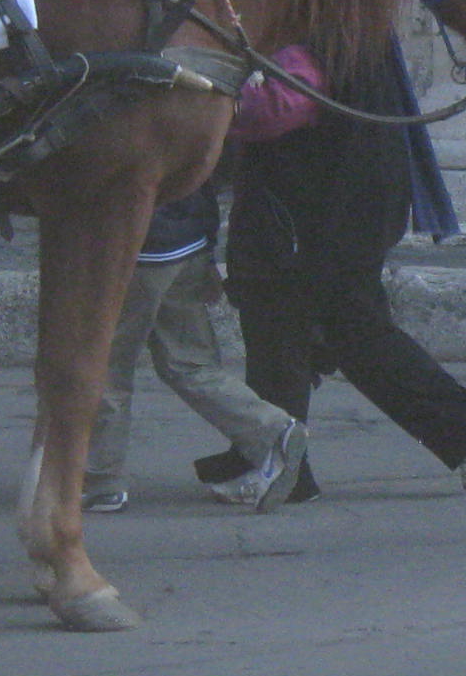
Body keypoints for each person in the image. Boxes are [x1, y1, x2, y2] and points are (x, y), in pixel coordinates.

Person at [221, 36, 466, 500]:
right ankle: (279, 463)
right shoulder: (349, 29)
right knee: (323, 326)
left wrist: (222, 105)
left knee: (302, 324)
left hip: (316, 206)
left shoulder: (324, 27)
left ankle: (282, 465)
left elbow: (284, 103)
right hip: (339, 199)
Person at [86, 175, 306, 514]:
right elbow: (205, 179)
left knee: (104, 367)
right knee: (191, 364)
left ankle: (101, 482)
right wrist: (207, 250)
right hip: (186, 247)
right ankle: (273, 428)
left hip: (133, 249)